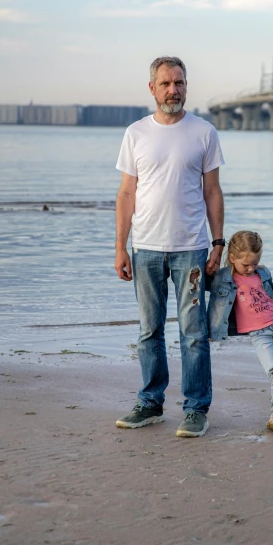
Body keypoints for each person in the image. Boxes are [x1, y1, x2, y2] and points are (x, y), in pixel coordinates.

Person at [114, 56, 225, 438]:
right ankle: (151, 403)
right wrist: (120, 247)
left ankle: (196, 409)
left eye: (178, 83)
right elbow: (127, 193)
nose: (172, 90)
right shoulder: (136, 133)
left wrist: (218, 243)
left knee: (193, 332)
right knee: (149, 330)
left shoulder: (204, 132)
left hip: (191, 250)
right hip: (145, 248)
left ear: (186, 86)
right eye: (165, 84)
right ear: (152, 89)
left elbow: (212, 191)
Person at [207, 230, 273, 433]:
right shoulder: (223, 278)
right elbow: (202, 284)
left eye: (255, 263)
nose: (251, 268)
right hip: (259, 333)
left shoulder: (262, 272)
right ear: (232, 258)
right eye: (246, 265)